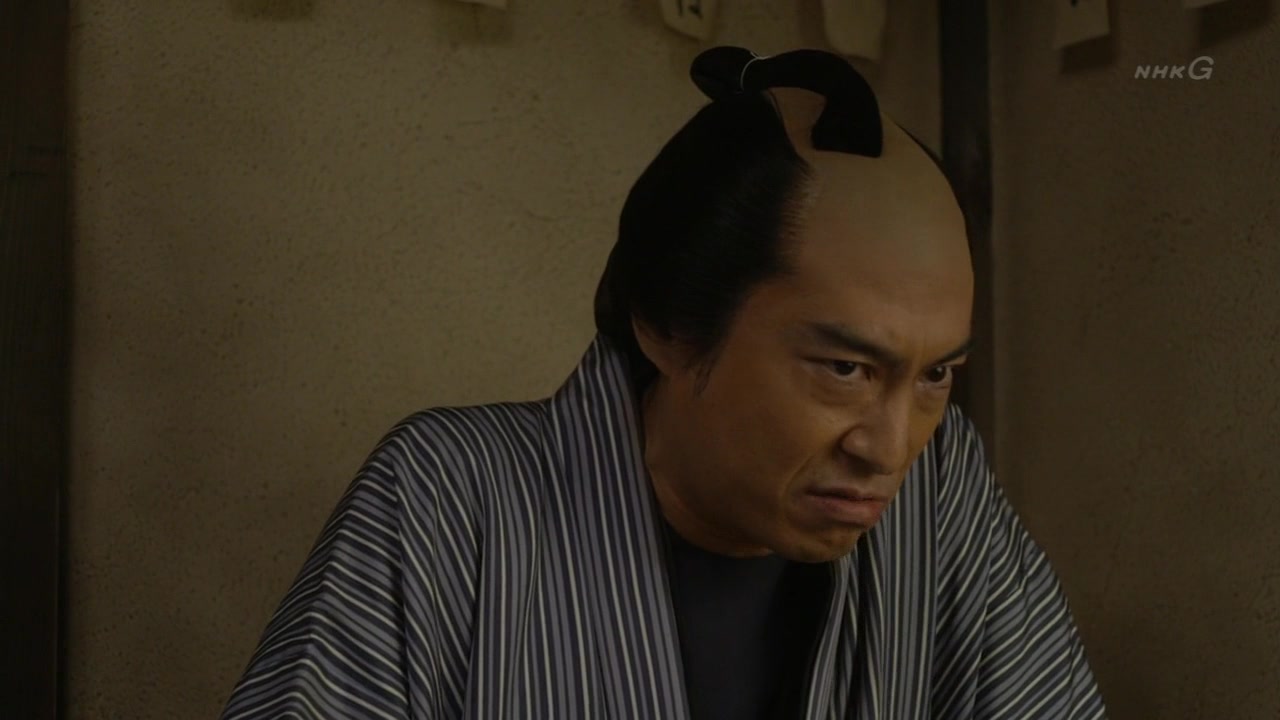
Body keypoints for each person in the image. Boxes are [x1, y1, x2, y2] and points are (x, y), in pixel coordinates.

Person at [220, 47, 1107, 719]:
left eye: (937, 375)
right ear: (670, 323)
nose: (890, 445)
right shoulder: (452, 496)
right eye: (845, 368)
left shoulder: (937, 490)